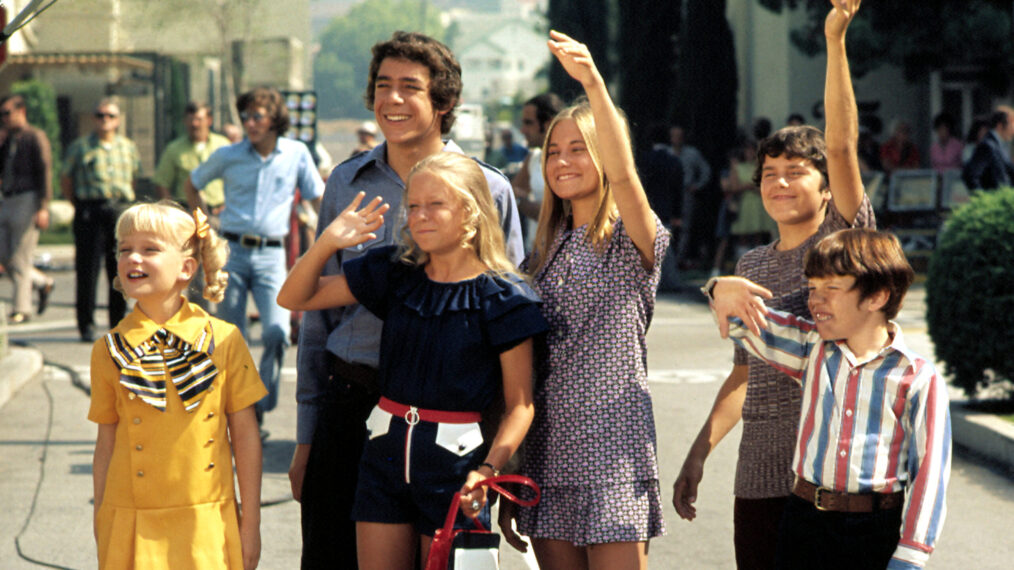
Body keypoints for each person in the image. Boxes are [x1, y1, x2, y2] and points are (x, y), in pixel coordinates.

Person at [292, 31, 524, 569]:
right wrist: (308, 437)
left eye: (409, 88)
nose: (391, 100)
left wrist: (503, 461)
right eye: (382, 86)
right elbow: (314, 316)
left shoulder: (490, 189)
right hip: (351, 402)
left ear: (443, 104)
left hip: (451, 422)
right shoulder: (346, 182)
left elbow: (510, 325)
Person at [672, 2, 876, 568]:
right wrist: (698, 454)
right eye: (768, 174)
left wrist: (835, 41)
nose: (779, 183)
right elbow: (745, 372)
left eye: (795, 172)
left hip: (829, 473)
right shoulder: (753, 264)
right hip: (758, 474)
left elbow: (840, 144)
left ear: (827, 186)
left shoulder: (843, 241)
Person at [278, 151, 546, 569]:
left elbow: (520, 405)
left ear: (471, 211)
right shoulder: (396, 271)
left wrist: (490, 469)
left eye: (435, 204)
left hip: (458, 466)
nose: (419, 216)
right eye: (413, 206)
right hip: (383, 453)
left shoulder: (506, 297)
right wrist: (328, 241)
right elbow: (294, 297)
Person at [502, 31, 670, 569]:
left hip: (614, 448)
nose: (562, 161)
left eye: (578, 149)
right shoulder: (540, 254)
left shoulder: (631, 239)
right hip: (549, 450)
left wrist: (593, 82)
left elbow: (624, 175)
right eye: (553, 151)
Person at [709, 228, 950, 569]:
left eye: (831, 288)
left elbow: (930, 472)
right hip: (803, 522)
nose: (814, 300)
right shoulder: (811, 349)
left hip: (873, 531)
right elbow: (740, 321)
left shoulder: (917, 377)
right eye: (812, 288)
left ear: (877, 296)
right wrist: (718, 288)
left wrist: (912, 553)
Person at [89, 202, 265, 569]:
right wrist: (102, 517)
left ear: (187, 267)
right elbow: (107, 440)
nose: (133, 257)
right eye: (124, 249)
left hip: (206, 521)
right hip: (131, 519)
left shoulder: (224, 340)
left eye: (149, 249)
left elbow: (245, 436)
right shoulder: (109, 349)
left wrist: (251, 523)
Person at [185, 87, 325, 435]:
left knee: (278, 332)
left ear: (274, 119)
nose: (250, 122)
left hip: (272, 254)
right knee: (232, 337)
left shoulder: (296, 154)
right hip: (230, 251)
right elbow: (193, 183)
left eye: (257, 115)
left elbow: (317, 199)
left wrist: (334, 238)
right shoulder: (229, 154)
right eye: (245, 116)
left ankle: (262, 398)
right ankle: (244, 410)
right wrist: (203, 226)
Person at [61, 97, 140, 342]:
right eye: (100, 115)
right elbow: (67, 179)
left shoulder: (127, 147)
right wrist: (79, 205)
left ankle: (118, 323)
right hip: (90, 210)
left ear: (118, 120)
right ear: (94, 119)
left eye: (110, 116)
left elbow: (133, 178)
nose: (105, 120)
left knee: (118, 268)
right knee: (87, 269)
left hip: (117, 210)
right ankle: (86, 324)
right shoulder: (81, 147)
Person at [154, 101, 232, 311]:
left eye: (199, 119)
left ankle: (227, 315)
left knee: (225, 265)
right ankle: (199, 317)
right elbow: (162, 182)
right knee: (196, 269)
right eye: (190, 119)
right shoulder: (175, 149)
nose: (194, 124)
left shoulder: (223, 146)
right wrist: (172, 213)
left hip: (222, 212)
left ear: (209, 120)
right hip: (191, 216)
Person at [0, 93, 55, 324]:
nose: (4, 118)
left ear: (21, 111)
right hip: (7, 198)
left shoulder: (35, 137)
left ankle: (22, 309)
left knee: (21, 256)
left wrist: (43, 206)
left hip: (27, 198)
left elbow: (45, 171)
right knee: (5, 255)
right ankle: (42, 282)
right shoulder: (7, 139)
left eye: (6, 113)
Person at [513, 92, 565, 252]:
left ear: (548, 123)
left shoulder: (568, 162)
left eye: (529, 123)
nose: (522, 130)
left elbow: (559, 218)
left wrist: (522, 202)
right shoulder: (534, 157)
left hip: (564, 257)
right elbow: (509, 195)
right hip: (535, 255)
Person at [639, 123, 684, 290]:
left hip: (647, 208)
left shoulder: (645, 159)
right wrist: (678, 214)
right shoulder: (674, 161)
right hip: (667, 209)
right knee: (666, 248)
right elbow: (678, 190)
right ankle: (670, 282)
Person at [670, 123, 712, 268]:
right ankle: (667, 260)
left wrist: (697, 186)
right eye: (674, 136)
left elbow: (706, 170)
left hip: (686, 193)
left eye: (679, 136)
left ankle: (679, 259)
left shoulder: (691, 153)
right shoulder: (667, 153)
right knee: (668, 226)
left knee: (685, 228)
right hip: (670, 194)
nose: (677, 139)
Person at [961, 105, 1014, 190]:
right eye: (1011, 126)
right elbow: (970, 175)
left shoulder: (1000, 145)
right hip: (993, 199)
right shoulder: (987, 145)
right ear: (1000, 125)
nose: (1013, 130)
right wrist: (983, 199)